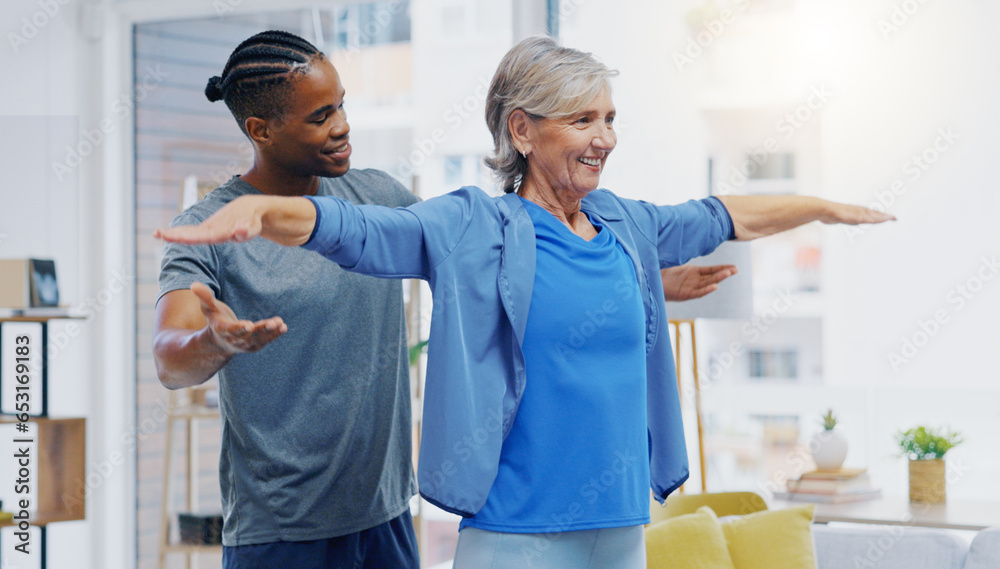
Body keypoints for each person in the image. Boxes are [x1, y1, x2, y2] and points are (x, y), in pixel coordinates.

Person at [155, 36, 894, 568]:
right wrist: (259, 220)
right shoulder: (472, 223)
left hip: (606, 525)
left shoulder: (625, 227)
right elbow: (362, 234)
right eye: (582, 120)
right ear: (521, 129)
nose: (604, 137)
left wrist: (821, 206)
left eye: (609, 118)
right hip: (487, 533)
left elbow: (719, 215)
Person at [152, 31, 421, 569]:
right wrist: (213, 340)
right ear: (261, 130)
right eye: (320, 116)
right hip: (280, 535)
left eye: (341, 105)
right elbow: (169, 358)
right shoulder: (209, 226)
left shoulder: (380, 199)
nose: (342, 125)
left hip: (386, 518)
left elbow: (465, 251)